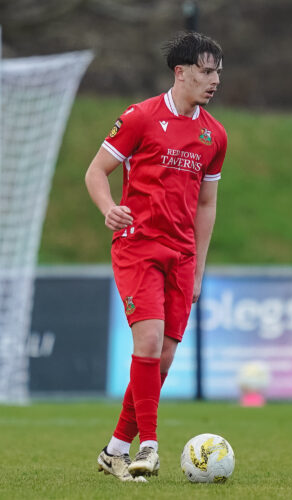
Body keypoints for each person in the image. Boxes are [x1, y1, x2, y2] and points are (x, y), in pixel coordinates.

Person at [85, 31, 227, 483]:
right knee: (146, 344)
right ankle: (149, 446)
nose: (214, 80)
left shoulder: (214, 135)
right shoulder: (139, 117)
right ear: (180, 72)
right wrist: (110, 209)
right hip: (138, 247)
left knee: (162, 360)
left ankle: (114, 450)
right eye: (206, 71)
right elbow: (95, 172)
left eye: (218, 72)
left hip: (182, 256)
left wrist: (200, 266)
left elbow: (206, 205)